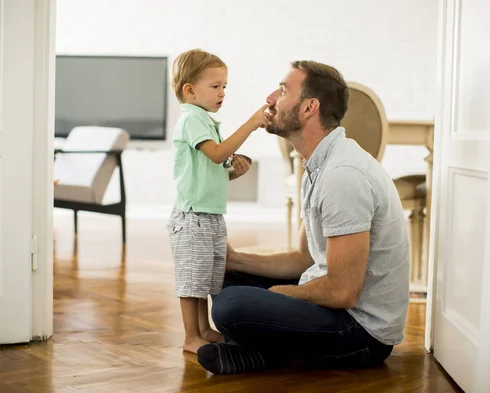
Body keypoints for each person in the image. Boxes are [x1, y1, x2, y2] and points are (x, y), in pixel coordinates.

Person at [197, 61, 410, 374]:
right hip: (334, 304)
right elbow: (302, 258)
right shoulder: (319, 164)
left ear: (310, 107)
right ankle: (258, 354)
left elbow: (343, 291)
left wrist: (278, 295)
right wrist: (232, 259)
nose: (270, 98)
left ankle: (260, 352)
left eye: (283, 90)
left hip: (361, 333)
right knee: (223, 276)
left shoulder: (343, 176)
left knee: (233, 307)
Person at [167, 49, 270, 354]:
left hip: (209, 216)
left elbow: (212, 170)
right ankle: (190, 337)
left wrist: (233, 174)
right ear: (189, 90)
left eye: (225, 86)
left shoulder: (205, 121)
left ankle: (203, 330)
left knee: (205, 279)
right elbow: (216, 153)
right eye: (215, 86)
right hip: (192, 218)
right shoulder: (191, 119)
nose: (222, 92)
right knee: (191, 280)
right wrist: (251, 124)